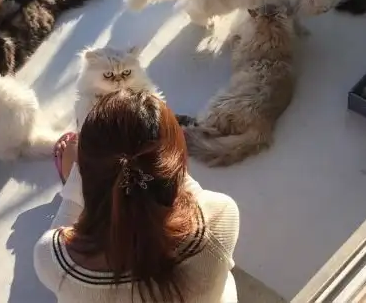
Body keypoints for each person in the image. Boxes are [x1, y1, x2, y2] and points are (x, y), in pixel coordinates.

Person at [34, 87, 240, 302]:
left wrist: (76, 182)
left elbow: (61, 238)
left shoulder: (52, 258)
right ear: (175, 159)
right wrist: (165, 150)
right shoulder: (222, 213)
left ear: (89, 175)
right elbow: (191, 193)